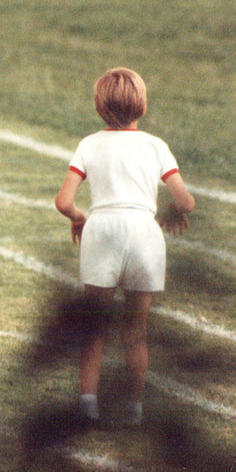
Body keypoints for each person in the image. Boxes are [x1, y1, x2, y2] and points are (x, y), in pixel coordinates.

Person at [54, 67, 195, 425]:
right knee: (136, 330)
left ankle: (87, 405)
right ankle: (133, 409)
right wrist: (168, 214)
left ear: (99, 106)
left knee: (95, 326)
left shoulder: (89, 144)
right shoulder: (155, 146)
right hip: (144, 232)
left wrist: (79, 217)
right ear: (142, 106)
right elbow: (186, 201)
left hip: (101, 229)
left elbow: (63, 201)